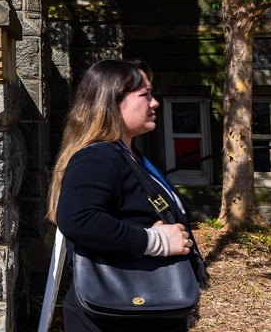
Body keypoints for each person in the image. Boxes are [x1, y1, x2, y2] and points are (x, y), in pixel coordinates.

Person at [50, 60, 206, 332]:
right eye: (144, 94)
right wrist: (155, 241)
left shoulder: (129, 157)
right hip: (116, 315)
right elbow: (78, 219)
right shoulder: (98, 157)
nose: (154, 103)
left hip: (141, 306)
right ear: (111, 102)